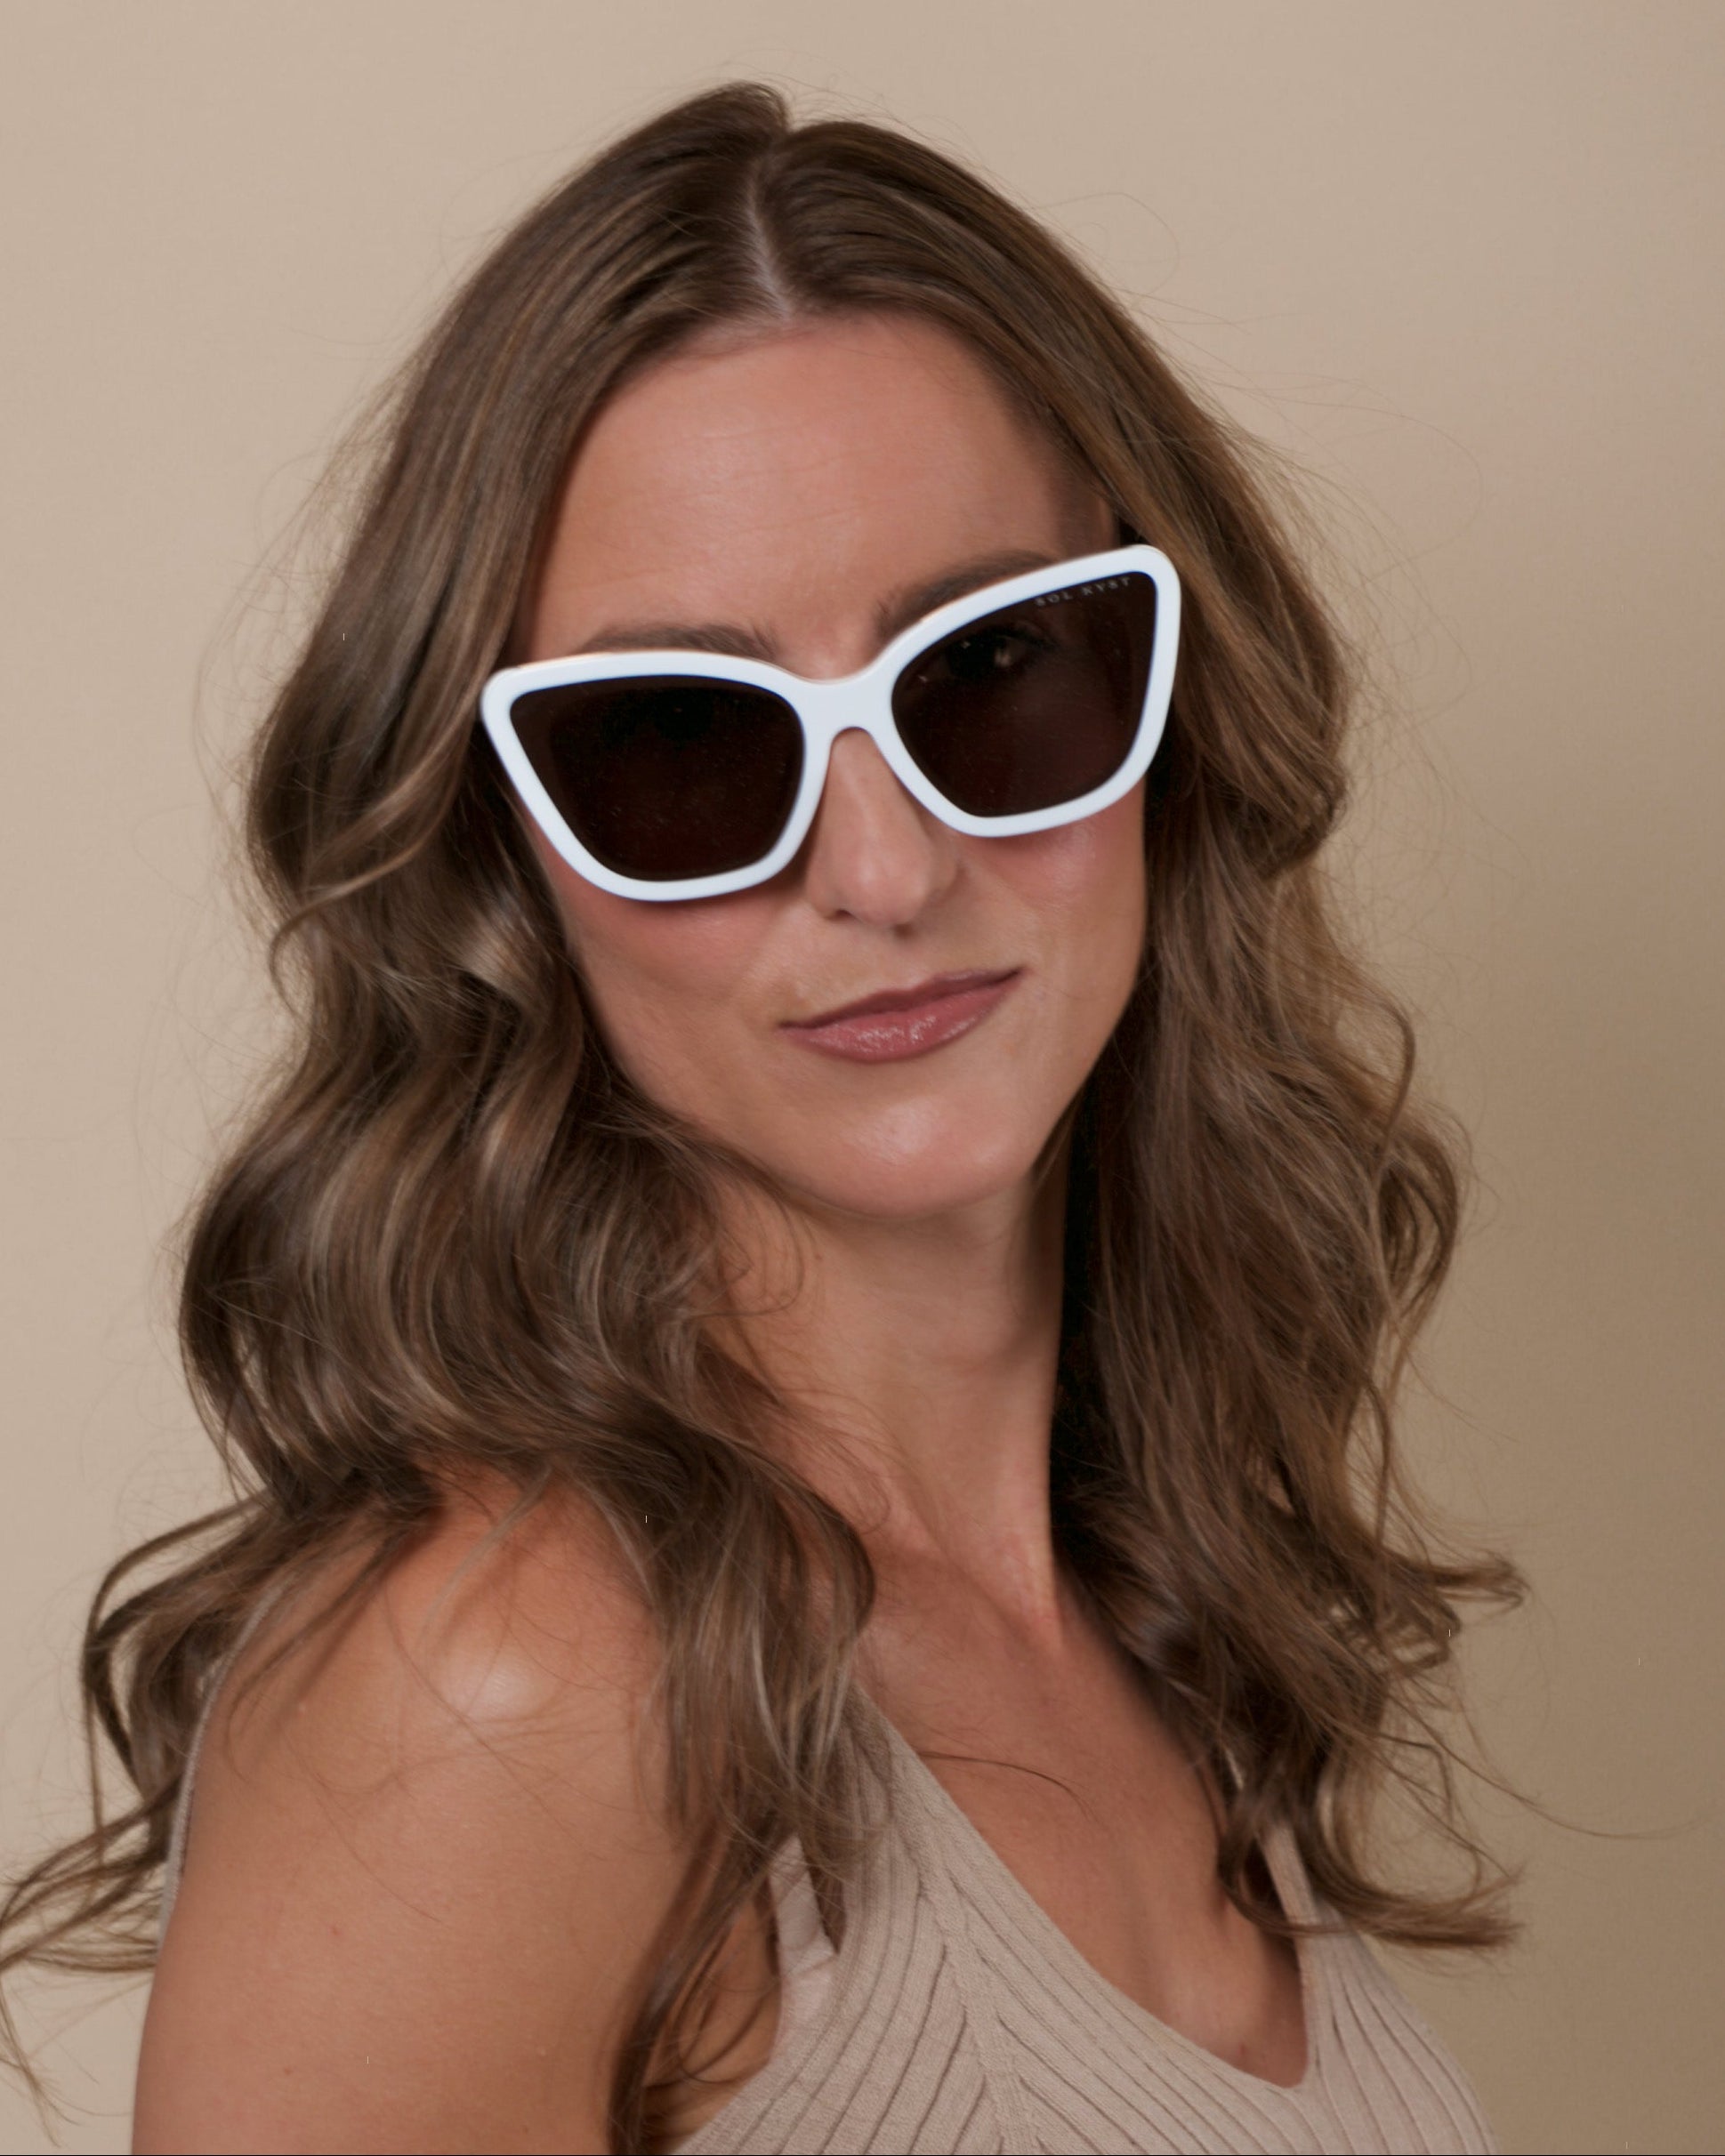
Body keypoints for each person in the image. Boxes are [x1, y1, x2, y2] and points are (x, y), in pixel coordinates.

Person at [0, 84, 1520, 2156]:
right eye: (678, 746)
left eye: (991, 674)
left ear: (1172, 716)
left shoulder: (1150, 1613)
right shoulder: (508, 1692)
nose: (881, 870)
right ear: (501, 862)